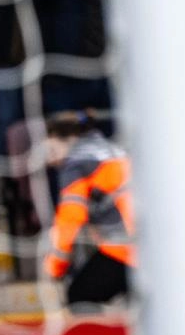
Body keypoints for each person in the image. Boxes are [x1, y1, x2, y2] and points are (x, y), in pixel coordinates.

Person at [44, 113, 133, 308]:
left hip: (125, 249)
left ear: (66, 140)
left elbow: (71, 217)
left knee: (79, 297)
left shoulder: (76, 163)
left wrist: (54, 266)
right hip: (153, 244)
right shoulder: (111, 149)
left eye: (51, 149)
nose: (49, 160)